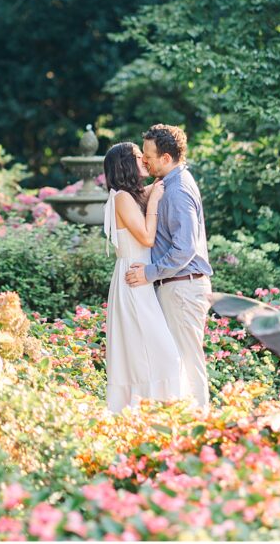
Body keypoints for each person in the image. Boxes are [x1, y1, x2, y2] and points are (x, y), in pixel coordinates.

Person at [124, 124, 213, 409]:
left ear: (166, 158)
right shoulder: (171, 184)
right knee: (176, 359)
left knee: (188, 360)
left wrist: (148, 274)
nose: (145, 160)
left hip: (182, 286)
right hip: (177, 286)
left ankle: (202, 424)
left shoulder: (177, 191)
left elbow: (184, 249)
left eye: (149, 155)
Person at [102, 142, 182, 414]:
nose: (145, 160)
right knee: (161, 352)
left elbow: (152, 189)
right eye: (139, 157)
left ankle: (147, 409)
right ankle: (145, 410)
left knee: (144, 351)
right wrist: (156, 200)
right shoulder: (122, 198)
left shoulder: (129, 196)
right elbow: (147, 237)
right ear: (126, 163)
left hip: (140, 279)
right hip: (134, 281)